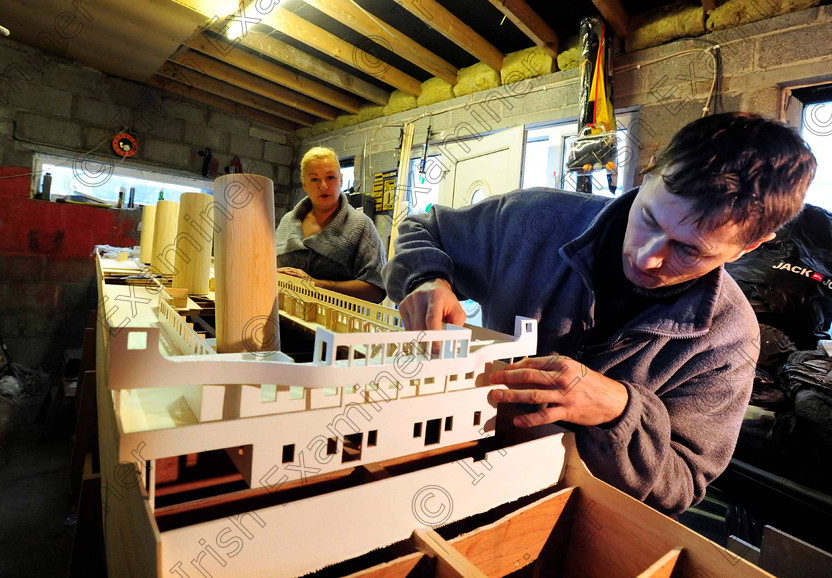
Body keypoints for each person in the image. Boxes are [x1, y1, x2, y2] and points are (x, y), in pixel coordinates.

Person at [383, 112, 817, 515]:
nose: (646, 258)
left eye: (688, 250)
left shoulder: (728, 339)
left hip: (567, 514)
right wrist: (425, 278)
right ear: (648, 172)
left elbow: (682, 482)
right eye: (648, 218)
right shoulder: (534, 220)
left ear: (749, 247)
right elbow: (425, 228)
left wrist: (620, 410)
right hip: (461, 463)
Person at [277, 146, 386, 303]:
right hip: (284, 319)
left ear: (341, 179)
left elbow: (376, 290)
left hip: (334, 325)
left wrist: (315, 284)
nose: (323, 186)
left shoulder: (360, 226)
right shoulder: (288, 222)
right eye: (314, 179)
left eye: (331, 177)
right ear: (304, 184)